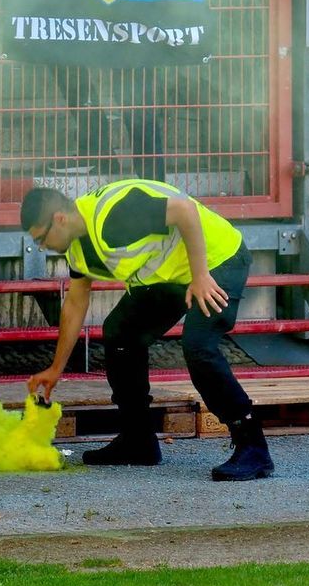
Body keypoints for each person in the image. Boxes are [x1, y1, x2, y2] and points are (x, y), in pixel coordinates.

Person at [21, 179, 274, 480]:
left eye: (41, 238)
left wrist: (201, 275)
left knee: (198, 346)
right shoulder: (78, 249)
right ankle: (137, 440)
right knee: (120, 333)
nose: (41, 247)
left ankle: (253, 447)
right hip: (172, 276)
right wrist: (55, 369)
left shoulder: (115, 215)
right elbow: (75, 304)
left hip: (217, 260)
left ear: (59, 219)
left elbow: (185, 210)